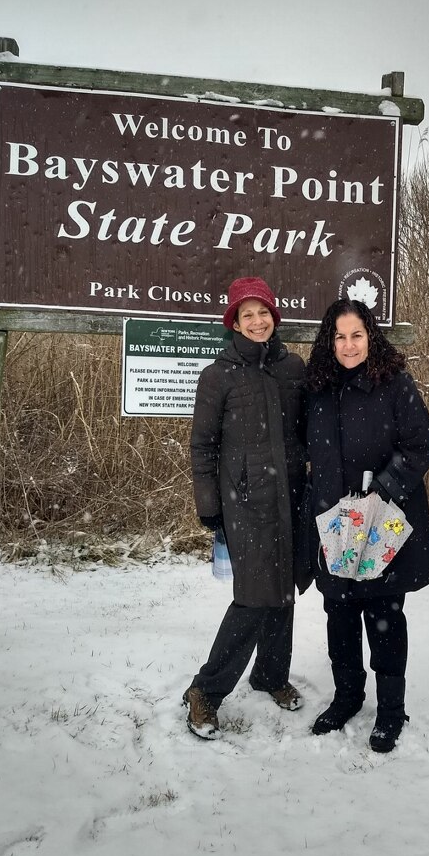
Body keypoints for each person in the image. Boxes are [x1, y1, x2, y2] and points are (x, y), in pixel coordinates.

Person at [305, 299, 429, 753]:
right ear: (330, 339)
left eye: (356, 335)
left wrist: (382, 486)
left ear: (370, 336)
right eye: (339, 336)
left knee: (384, 616)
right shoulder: (317, 386)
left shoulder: (394, 383)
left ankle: (389, 710)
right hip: (332, 522)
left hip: (381, 520)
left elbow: (421, 445)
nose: (348, 345)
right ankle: (346, 698)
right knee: (338, 616)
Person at [183, 276, 308, 739]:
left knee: (286, 587)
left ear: (275, 318)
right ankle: (206, 690)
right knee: (255, 593)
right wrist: (209, 504)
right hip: (245, 500)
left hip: (291, 495)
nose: (256, 322)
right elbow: (202, 446)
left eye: (263, 313)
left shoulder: (292, 367)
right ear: (234, 322)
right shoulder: (218, 375)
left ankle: (271, 675)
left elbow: (305, 429)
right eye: (246, 314)